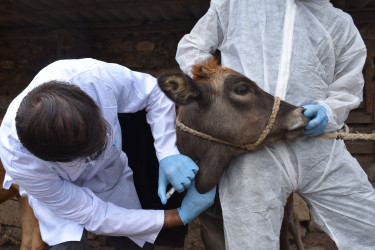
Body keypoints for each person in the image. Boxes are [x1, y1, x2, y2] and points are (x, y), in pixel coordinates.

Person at [176, 0, 375, 249]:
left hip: (317, 148)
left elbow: (348, 86)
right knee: (251, 241)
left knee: (368, 225)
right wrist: (219, 89)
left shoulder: (339, 24)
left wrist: (328, 110)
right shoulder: (236, 4)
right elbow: (192, 48)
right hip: (252, 151)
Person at [0, 58, 216, 249]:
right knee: (69, 245)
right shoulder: (21, 161)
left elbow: (155, 92)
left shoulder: (93, 77)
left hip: (110, 174)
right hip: (58, 194)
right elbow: (96, 215)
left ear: (80, 91)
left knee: (135, 243)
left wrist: (167, 152)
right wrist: (180, 215)